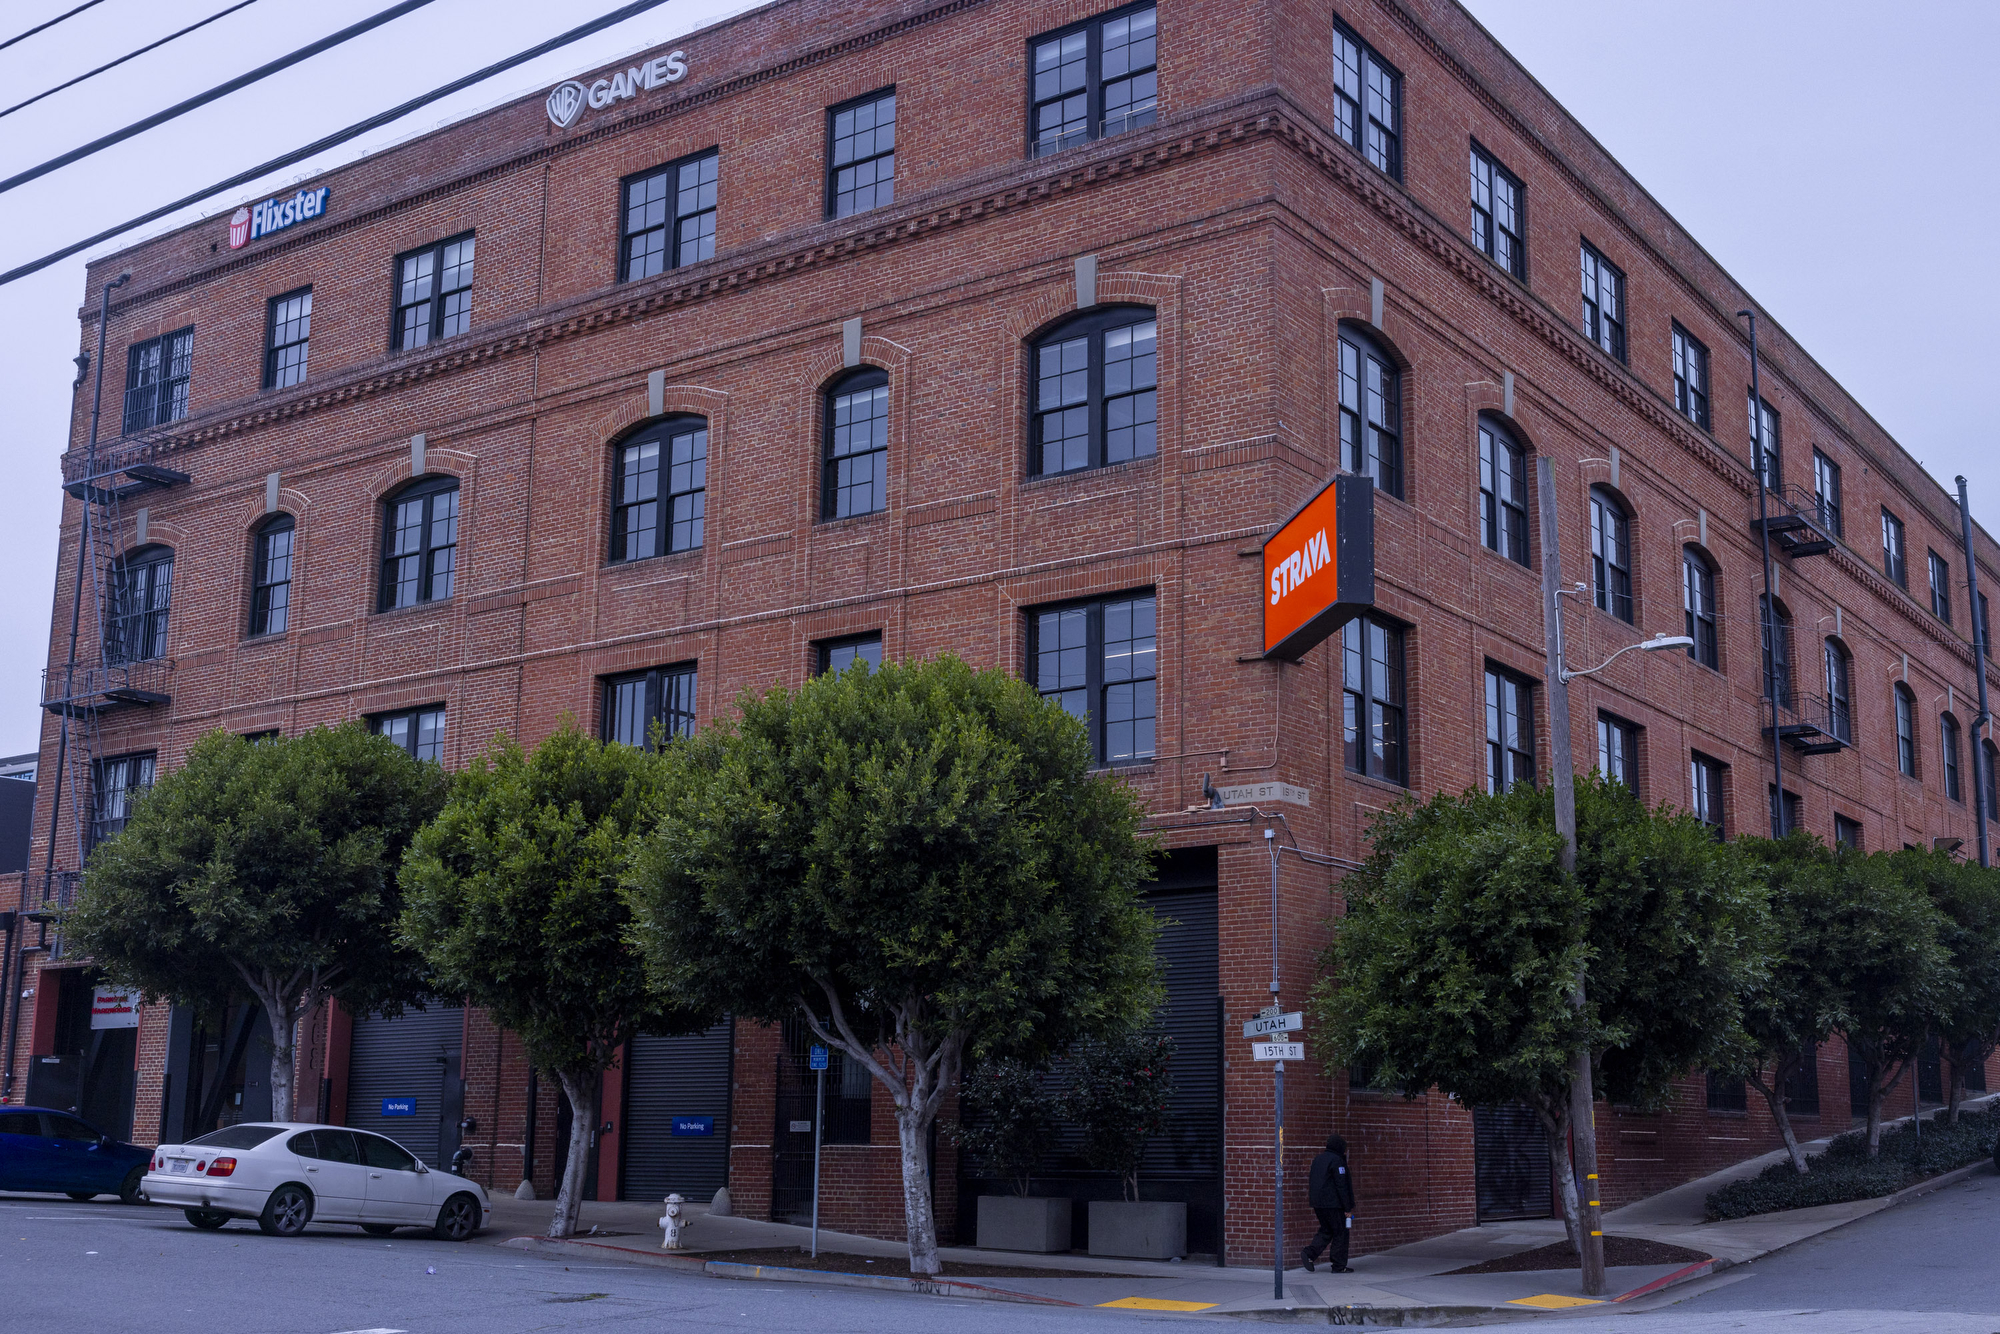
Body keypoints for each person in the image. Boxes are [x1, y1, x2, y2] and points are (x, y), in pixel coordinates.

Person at [1301, 1133, 1355, 1273]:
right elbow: (1341, 1185)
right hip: (1334, 1204)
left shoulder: (1318, 1159)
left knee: (1326, 1230)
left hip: (1318, 1203)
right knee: (1341, 1233)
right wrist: (1347, 1207)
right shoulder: (1337, 1161)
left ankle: (1309, 1253)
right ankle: (1338, 1265)